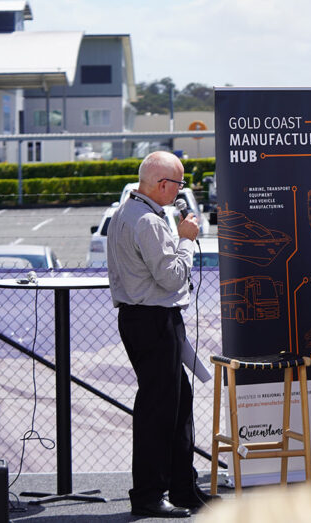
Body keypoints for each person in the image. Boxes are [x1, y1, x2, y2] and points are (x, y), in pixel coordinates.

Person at [108, 151, 214, 518]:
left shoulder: (125, 212)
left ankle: (182, 487)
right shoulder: (148, 222)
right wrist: (186, 240)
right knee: (160, 410)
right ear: (163, 184)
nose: (180, 192)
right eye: (179, 185)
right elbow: (171, 277)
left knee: (177, 404)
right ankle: (150, 494)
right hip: (153, 320)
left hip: (144, 318)